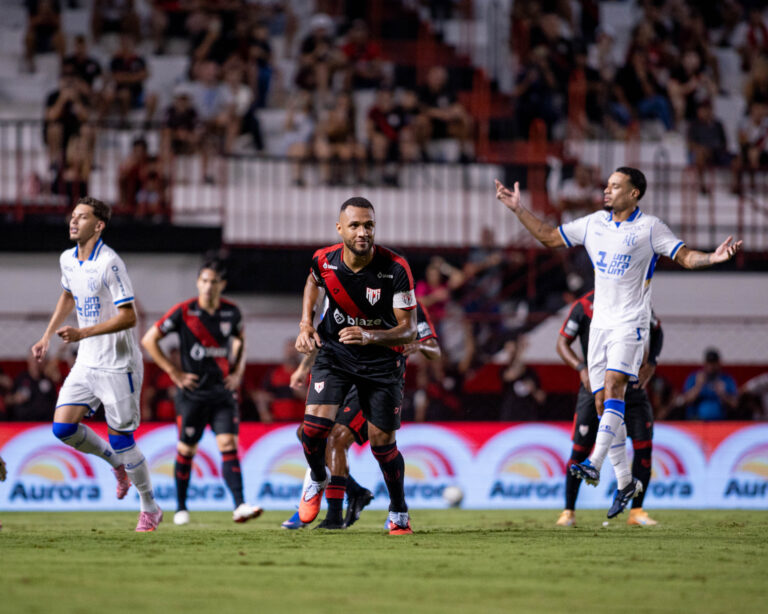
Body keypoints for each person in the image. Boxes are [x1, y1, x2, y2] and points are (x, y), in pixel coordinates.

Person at [495, 167, 742, 518]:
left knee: (614, 386)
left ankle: (594, 463)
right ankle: (625, 481)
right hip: (600, 326)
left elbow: (685, 256)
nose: (607, 190)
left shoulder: (650, 228)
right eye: (607, 185)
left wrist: (713, 258)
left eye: (615, 186)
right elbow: (549, 237)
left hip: (631, 323)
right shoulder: (594, 223)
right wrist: (518, 209)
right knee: (602, 403)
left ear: (634, 193)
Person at [31, 196, 162, 532]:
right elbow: (68, 295)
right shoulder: (67, 259)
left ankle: (149, 507)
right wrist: (46, 336)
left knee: (123, 439)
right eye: (73, 216)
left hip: (118, 364)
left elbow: (129, 317)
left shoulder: (110, 263)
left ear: (99, 225)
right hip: (87, 360)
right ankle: (115, 464)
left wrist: (82, 332)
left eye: (83, 217)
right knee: (63, 428)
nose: (73, 221)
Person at [294, 196, 418, 534]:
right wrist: (305, 324)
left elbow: (409, 329)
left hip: (382, 362)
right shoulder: (324, 260)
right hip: (335, 353)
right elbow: (313, 281)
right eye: (355, 226)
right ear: (340, 229)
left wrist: (368, 335)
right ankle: (317, 478)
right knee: (312, 430)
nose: (363, 232)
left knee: (382, 445)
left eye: (369, 225)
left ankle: (398, 510)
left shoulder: (396, 268)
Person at [283, 300, 441, 529]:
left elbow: (434, 349)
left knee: (343, 440)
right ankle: (355, 492)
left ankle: (340, 515)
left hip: (377, 379)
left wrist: (418, 345)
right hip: (342, 374)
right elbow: (325, 337)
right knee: (307, 433)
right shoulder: (352, 294)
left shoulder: (410, 305)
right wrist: (303, 367)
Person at [141, 260, 263, 526]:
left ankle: (240, 506)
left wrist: (238, 373)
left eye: (214, 282)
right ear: (198, 282)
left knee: (228, 446)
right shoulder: (184, 311)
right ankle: (181, 508)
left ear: (222, 285)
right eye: (204, 281)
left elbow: (241, 341)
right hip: (192, 394)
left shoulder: (232, 312)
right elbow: (149, 340)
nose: (208, 286)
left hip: (222, 394)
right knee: (187, 449)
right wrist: (174, 373)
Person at [555, 290, 662, 527]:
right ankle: (568, 511)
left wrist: (651, 364)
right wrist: (581, 368)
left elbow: (657, 330)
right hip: (595, 388)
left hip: (632, 388)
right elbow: (562, 343)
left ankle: (636, 511)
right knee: (579, 450)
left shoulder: (636, 299)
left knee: (643, 449)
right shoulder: (584, 306)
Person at [681, 348, 738, 420]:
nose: (711, 366)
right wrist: (698, 386)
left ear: (719, 363)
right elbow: (684, 401)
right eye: (709, 363)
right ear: (704, 363)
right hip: (696, 420)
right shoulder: (694, 378)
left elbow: (735, 404)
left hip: (721, 421)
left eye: (714, 363)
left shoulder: (726, 379)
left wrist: (722, 394)